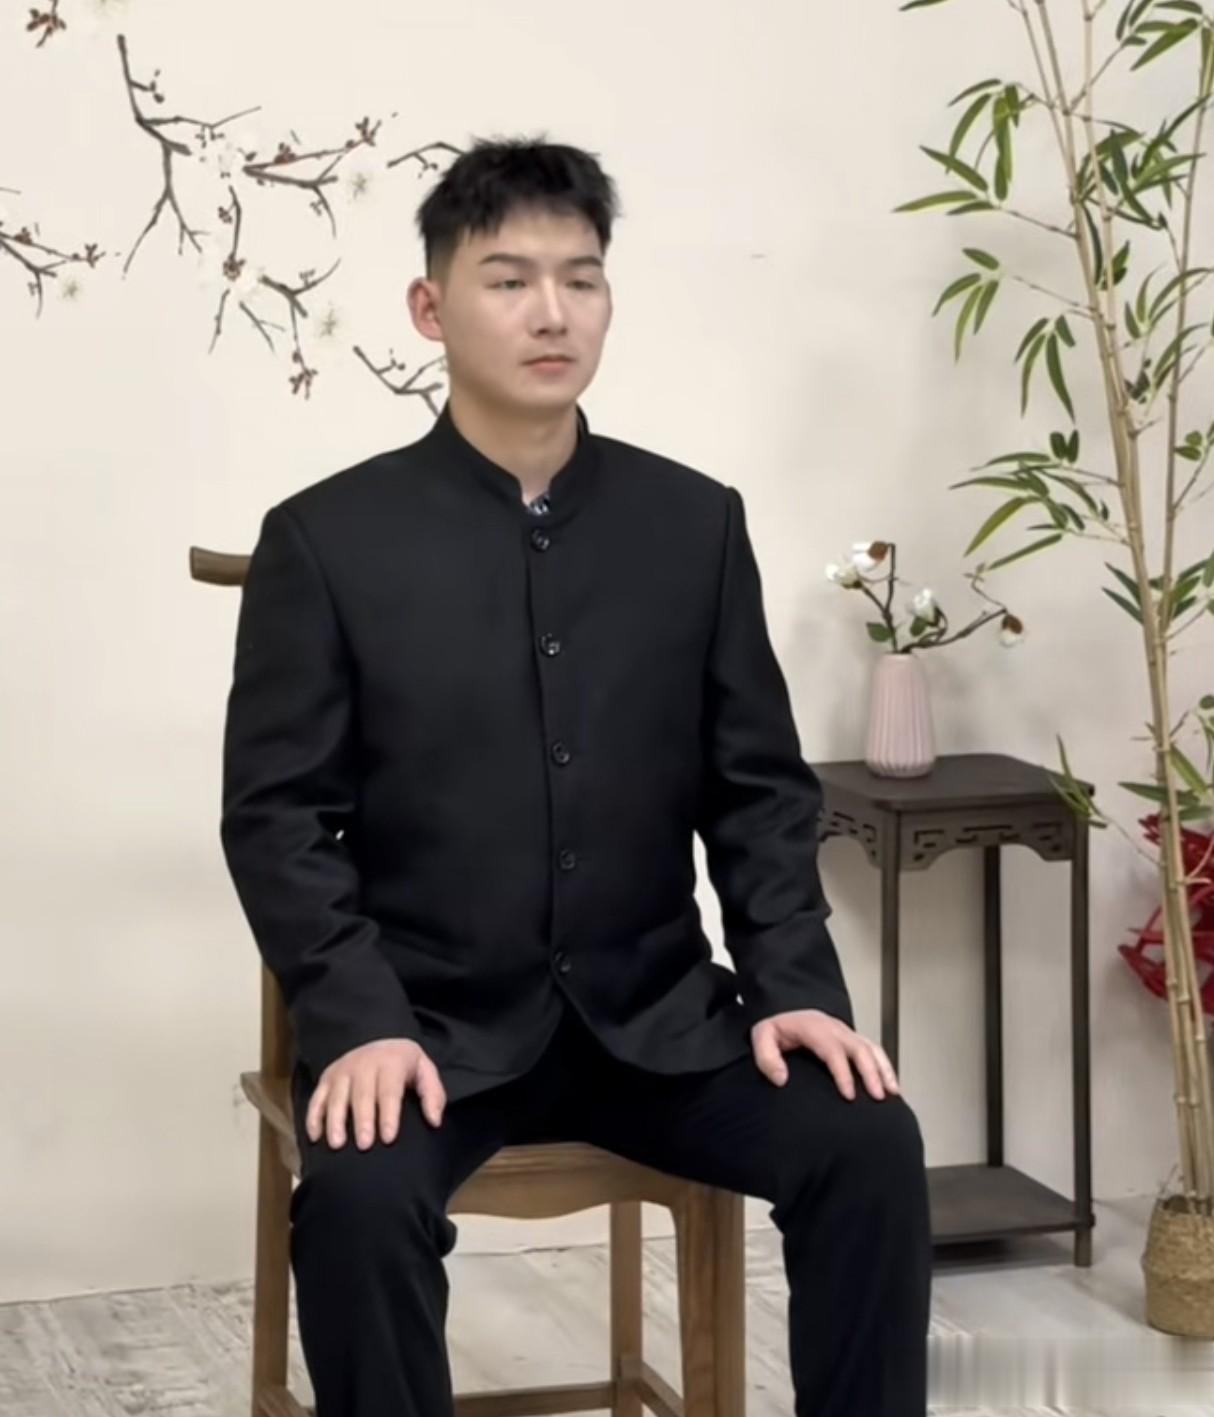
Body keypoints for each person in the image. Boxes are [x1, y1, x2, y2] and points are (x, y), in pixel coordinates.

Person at [220, 135, 932, 1417]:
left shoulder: (693, 524)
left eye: (580, 278)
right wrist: (357, 1016)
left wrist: (792, 987)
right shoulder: (325, 540)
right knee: (360, 1202)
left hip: (657, 1025)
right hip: (427, 1031)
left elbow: (757, 791)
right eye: (507, 280)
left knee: (865, 1137)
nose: (550, 312)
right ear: (430, 307)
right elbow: (277, 820)